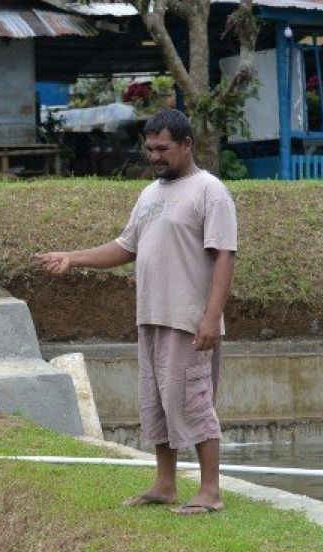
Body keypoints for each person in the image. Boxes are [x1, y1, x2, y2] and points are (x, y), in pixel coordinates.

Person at [32, 108, 237, 515]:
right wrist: (72, 258)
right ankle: (165, 484)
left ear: (187, 145)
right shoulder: (149, 195)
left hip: (189, 320)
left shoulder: (210, 191)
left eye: (163, 149)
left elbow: (224, 256)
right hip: (151, 316)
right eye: (150, 149)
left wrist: (212, 317)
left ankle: (210, 490)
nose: (155, 156)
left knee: (193, 402)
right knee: (158, 401)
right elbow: (127, 247)